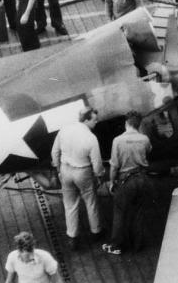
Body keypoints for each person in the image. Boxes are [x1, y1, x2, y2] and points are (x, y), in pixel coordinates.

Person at [51, 107, 103, 249]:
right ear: (86, 120)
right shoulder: (91, 138)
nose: (96, 122)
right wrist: (99, 176)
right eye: (94, 120)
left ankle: (73, 237)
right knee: (90, 201)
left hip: (65, 169)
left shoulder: (65, 129)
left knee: (70, 204)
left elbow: (54, 151)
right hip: (83, 171)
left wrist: (58, 169)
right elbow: (97, 162)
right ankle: (96, 231)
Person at [106, 111, 153, 256]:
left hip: (126, 180)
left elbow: (114, 165)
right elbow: (149, 151)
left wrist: (112, 182)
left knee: (120, 212)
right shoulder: (144, 139)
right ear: (138, 125)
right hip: (143, 179)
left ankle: (116, 246)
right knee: (139, 213)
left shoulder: (117, 140)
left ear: (126, 124)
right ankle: (138, 245)